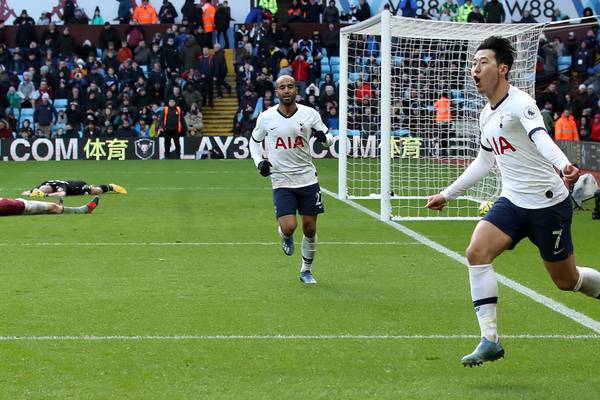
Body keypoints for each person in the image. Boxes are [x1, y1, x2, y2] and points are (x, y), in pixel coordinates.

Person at [425, 36, 600, 366]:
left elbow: (540, 137)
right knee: (476, 252)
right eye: (473, 63)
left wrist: (563, 164)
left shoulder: (521, 104)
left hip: (548, 205)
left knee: (567, 281)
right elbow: (482, 162)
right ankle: (489, 340)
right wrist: (447, 194)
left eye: (483, 63)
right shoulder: (485, 115)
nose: (475, 69)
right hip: (513, 201)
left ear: (502, 69)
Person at [249, 75, 334, 284]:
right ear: (276, 92)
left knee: (310, 228)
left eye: (290, 87)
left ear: (296, 90)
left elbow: (328, 139)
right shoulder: (266, 117)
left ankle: (306, 270)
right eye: (282, 87)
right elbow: (254, 141)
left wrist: (325, 139)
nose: (286, 90)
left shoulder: (310, 114)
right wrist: (259, 162)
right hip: (281, 179)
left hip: (307, 178)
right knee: (289, 227)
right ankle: (284, 235)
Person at [0, 196, 100, 217]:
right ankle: (85, 210)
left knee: (53, 207)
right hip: (25, 207)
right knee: (54, 207)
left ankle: (59, 207)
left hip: (20, 202)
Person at [22, 180, 127, 197]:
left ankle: (110, 186)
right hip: (71, 185)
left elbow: (62, 194)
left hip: (77, 185)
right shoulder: (44, 184)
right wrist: (30, 193)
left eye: (44, 190)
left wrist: (46, 196)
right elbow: (25, 192)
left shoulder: (59, 186)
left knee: (95, 191)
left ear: (49, 189)